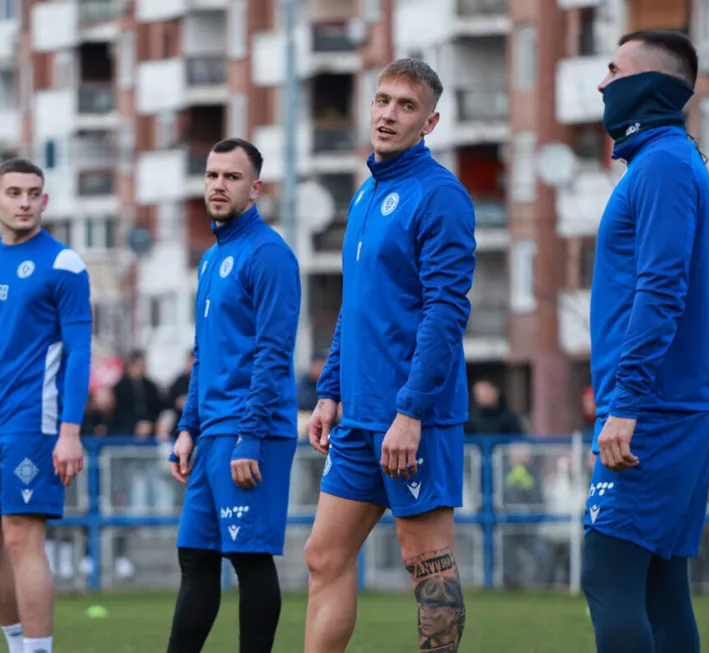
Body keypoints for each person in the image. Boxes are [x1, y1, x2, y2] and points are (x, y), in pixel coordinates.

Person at [302, 58, 476, 653]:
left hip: (413, 417)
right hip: (357, 416)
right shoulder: (364, 195)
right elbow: (356, 306)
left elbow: (446, 312)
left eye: (406, 106)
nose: (389, 114)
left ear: (429, 122)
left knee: (426, 563)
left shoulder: (441, 196)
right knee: (323, 555)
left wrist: (411, 411)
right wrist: (330, 391)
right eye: (382, 100)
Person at [582, 30, 709, 653]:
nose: (602, 84)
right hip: (670, 406)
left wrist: (626, 403)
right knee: (661, 590)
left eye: (614, 71)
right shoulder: (667, 161)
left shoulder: (664, 165)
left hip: (655, 410)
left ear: (647, 85)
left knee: (607, 572)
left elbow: (661, 289)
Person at [0, 157, 91, 653]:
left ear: (44, 201)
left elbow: (80, 352)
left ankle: (38, 650)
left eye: (33, 193)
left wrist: (70, 431)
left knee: (21, 538)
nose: (24, 202)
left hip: (34, 422)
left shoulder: (64, 265)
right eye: (13, 193)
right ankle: (17, 643)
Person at [164, 138, 301, 653]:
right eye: (212, 175)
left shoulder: (269, 255)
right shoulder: (211, 258)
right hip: (212, 434)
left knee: (249, 558)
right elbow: (205, 353)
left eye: (232, 177)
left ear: (255, 188)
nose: (218, 185)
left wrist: (250, 435)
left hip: (250, 431)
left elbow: (273, 352)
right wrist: (188, 427)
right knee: (196, 558)